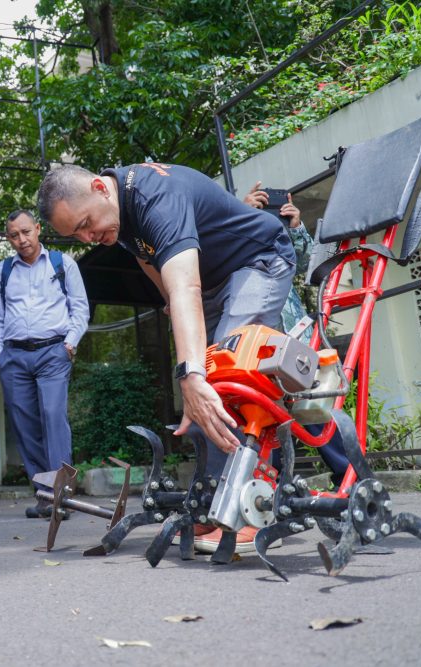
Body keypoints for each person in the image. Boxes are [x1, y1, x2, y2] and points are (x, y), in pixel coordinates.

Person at [38, 163, 296, 553]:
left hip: (258, 261)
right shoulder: (120, 216)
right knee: (201, 403)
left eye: (87, 223)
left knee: (227, 377)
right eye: (78, 234)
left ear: (98, 187)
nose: (89, 236)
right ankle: (212, 504)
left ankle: (254, 508)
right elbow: (148, 257)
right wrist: (169, 300)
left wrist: (190, 373)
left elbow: (186, 288)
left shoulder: (155, 197)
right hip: (214, 284)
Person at [242, 181, 350, 488]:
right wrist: (243, 212)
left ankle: (350, 484)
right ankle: (265, 497)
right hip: (255, 344)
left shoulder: (279, 236)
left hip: (294, 337)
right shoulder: (235, 231)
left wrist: (297, 226)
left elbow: (308, 268)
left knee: (315, 411)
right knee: (262, 421)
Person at [0, 209, 89, 518]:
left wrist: (70, 343)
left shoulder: (62, 263)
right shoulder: (2, 271)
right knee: (25, 425)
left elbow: (80, 309)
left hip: (53, 353)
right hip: (14, 357)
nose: (22, 239)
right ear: (9, 238)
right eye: (15, 235)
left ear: (38, 229)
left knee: (53, 416)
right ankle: (44, 495)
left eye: (26, 232)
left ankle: (62, 495)